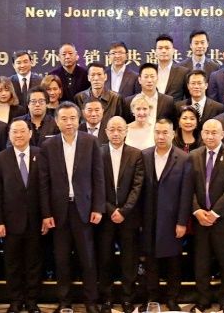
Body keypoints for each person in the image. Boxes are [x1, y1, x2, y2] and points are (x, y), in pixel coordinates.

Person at [40, 102, 104, 313]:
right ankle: (64, 301)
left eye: (73, 118)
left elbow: (98, 177)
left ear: (79, 119)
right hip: (59, 211)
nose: (69, 123)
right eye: (64, 119)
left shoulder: (90, 142)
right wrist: (46, 213)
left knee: (88, 258)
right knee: (61, 259)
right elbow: (44, 183)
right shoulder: (48, 146)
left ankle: (91, 301)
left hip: (83, 209)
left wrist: (98, 207)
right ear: (57, 122)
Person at [0, 118, 47, 313]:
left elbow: (45, 188)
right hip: (10, 221)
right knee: (12, 263)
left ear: (30, 133)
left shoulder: (40, 155)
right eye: (14, 131)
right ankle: (15, 300)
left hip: (35, 221)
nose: (19, 135)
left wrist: (46, 216)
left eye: (23, 131)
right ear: (9, 135)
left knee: (34, 263)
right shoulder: (0, 158)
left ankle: (32, 301)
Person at [188, 118, 224, 313]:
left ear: (222, 134)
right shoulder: (193, 155)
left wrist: (215, 213)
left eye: (214, 132)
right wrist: (197, 210)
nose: (210, 136)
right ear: (201, 134)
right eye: (207, 132)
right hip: (200, 220)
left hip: (223, 221)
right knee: (201, 263)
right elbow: (188, 187)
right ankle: (203, 300)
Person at [141, 119, 193, 313]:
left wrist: (182, 222)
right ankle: (152, 297)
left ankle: (172, 298)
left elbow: (186, 193)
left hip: (172, 220)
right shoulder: (144, 155)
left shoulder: (184, 158)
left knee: (173, 261)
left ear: (173, 134)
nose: (161, 136)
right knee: (150, 261)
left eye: (165, 132)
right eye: (157, 132)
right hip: (149, 218)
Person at [97, 116, 145, 312]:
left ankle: (127, 298)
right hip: (105, 216)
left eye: (120, 129)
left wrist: (124, 210)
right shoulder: (98, 153)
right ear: (106, 132)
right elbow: (96, 185)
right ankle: (106, 298)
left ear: (126, 131)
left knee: (129, 260)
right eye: (112, 129)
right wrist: (111, 210)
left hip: (129, 216)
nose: (116, 133)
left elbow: (137, 186)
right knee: (105, 259)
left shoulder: (136, 154)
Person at [153, 33, 189, 101]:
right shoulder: (151, 70)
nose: (163, 51)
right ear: (155, 51)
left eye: (167, 48)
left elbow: (188, 98)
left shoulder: (183, 72)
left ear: (173, 51)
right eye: (160, 48)